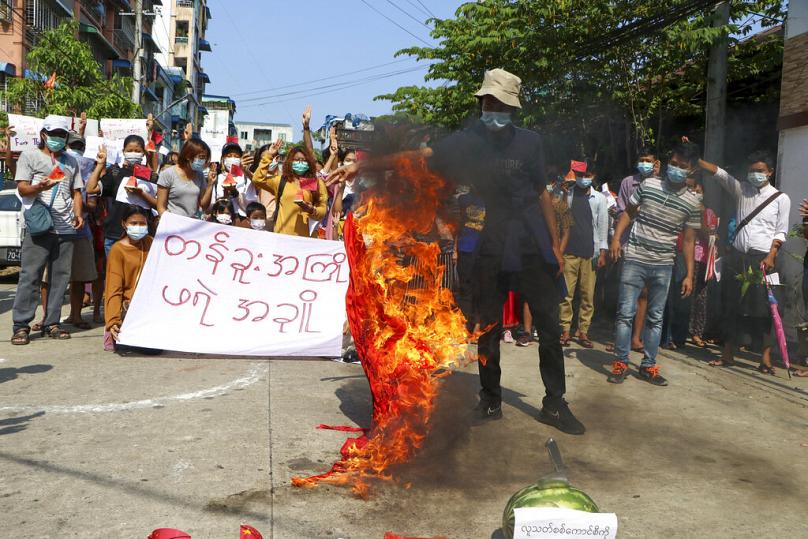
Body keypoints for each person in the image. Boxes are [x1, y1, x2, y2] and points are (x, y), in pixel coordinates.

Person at [328, 68, 585, 435]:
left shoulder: (530, 143)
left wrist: (555, 245)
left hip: (530, 240)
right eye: (487, 102)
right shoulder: (468, 141)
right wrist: (360, 165)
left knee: (548, 323)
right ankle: (490, 398)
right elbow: (416, 157)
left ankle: (555, 403)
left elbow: (542, 192)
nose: (491, 108)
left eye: (499, 103)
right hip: (491, 240)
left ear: (512, 107)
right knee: (488, 325)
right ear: (481, 103)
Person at [608, 141, 702, 386]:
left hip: (663, 265)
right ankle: (620, 362)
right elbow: (628, 212)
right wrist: (616, 239)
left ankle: (648, 366)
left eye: (681, 166)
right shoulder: (648, 185)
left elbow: (689, 242)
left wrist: (690, 274)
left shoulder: (693, 204)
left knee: (655, 318)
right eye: (672, 164)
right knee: (625, 313)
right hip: (635, 258)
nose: (675, 169)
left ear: (691, 170)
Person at [695, 150, 790, 374]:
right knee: (732, 306)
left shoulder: (780, 198)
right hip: (737, 258)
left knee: (767, 309)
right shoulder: (741, 190)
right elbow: (720, 174)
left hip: (763, 260)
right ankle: (727, 353)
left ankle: (765, 359)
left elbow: (781, 232)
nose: (755, 175)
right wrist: (695, 160)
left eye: (760, 171)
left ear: (770, 172)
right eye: (752, 171)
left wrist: (771, 256)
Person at [11, 116, 84, 344]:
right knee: (30, 276)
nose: (58, 139)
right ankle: (21, 325)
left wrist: (79, 214)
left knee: (61, 278)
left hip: (66, 227)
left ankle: (52, 322)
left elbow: (77, 192)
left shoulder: (72, 161)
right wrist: (39, 186)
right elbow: (22, 188)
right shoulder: (30, 156)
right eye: (55, 134)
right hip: (40, 226)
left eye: (63, 135)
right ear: (44, 134)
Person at [615, 148, 660, 353]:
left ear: (655, 163)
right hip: (629, 243)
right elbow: (622, 211)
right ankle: (620, 339)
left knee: (644, 294)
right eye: (641, 160)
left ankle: (636, 338)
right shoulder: (628, 183)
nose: (644, 164)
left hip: (652, 244)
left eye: (648, 160)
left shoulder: (662, 184)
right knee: (626, 294)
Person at [558, 163, 608, 349]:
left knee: (588, 295)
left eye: (586, 174)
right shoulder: (568, 194)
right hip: (569, 251)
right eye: (580, 174)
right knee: (566, 294)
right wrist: (562, 192)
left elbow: (602, 225)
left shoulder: (599, 198)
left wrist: (603, 251)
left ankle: (583, 331)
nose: (583, 177)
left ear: (593, 176)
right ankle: (565, 330)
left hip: (590, 252)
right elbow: (560, 215)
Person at [86, 135, 157, 256]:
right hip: (115, 235)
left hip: (143, 236)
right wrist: (100, 165)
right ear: (123, 152)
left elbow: (159, 204)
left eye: (137, 151)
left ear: (143, 153)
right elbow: (91, 189)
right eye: (129, 150)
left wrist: (141, 194)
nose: (133, 153)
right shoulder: (115, 173)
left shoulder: (151, 176)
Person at [104, 205, 159, 355]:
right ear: (124, 224)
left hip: (149, 307)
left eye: (142, 224)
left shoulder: (151, 243)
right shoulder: (118, 250)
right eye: (134, 223)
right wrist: (113, 320)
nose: (138, 227)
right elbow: (113, 288)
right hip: (129, 310)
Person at [251, 140, 328, 237]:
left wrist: (311, 210)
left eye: (304, 160)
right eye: (296, 160)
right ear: (290, 162)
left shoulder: (314, 182)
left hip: (306, 239)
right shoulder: (282, 181)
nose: (300, 163)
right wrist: (268, 156)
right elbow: (257, 179)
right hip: (281, 237)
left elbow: (322, 210)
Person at [156, 138, 215, 218]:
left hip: (192, 225)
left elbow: (203, 205)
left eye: (205, 158)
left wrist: (210, 184)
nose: (203, 161)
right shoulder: (168, 174)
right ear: (188, 156)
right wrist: (168, 222)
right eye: (201, 157)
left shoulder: (200, 175)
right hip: (172, 224)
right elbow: (160, 207)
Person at [209, 142, 258, 220]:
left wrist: (235, 193)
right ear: (223, 159)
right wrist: (223, 199)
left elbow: (250, 207)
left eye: (236, 156)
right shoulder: (217, 179)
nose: (232, 158)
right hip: (220, 219)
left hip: (240, 220)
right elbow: (210, 206)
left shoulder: (246, 179)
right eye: (229, 156)